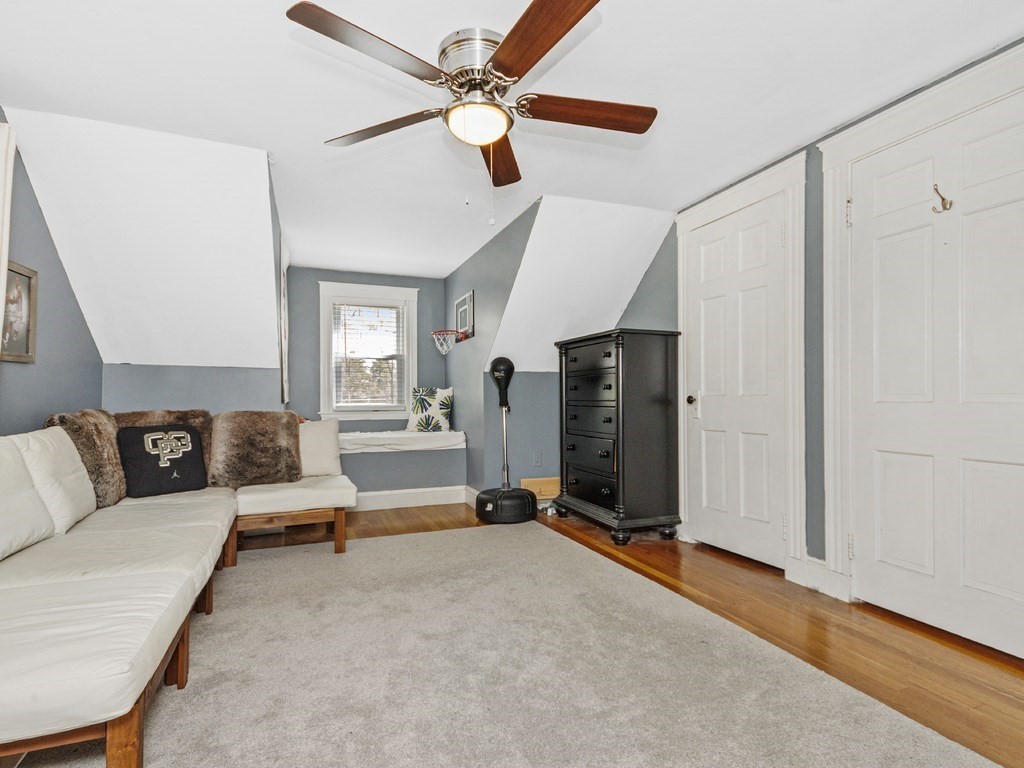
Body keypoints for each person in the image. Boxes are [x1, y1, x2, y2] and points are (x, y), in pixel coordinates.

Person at [3, 277, 25, 349]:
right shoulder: (14, 291)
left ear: (19, 282)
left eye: (18, 280)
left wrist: (8, 299)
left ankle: (16, 334)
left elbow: (15, 300)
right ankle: (6, 340)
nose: (16, 281)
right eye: (16, 280)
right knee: (10, 323)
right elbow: (13, 303)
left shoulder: (19, 290)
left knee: (16, 330)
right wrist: (8, 300)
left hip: (19, 313)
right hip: (15, 311)